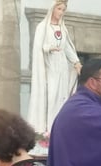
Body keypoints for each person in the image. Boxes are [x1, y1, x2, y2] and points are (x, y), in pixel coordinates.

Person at [27, 0, 82, 133]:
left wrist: (76, 62)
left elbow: (67, 48)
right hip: (49, 67)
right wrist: (49, 48)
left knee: (61, 97)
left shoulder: (62, 28)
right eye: (59, 9)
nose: (61, 12)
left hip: (61, 67)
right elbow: (39, 47)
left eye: (63, 10)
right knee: (51, 96)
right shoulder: (43, 27)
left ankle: (58, 127)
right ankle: (48, 129)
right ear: (53, 8)